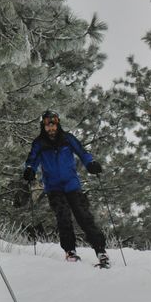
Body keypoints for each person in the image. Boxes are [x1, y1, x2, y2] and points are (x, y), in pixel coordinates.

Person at [19, 110, 110, 268]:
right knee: (63, 217)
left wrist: (91, 164)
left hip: (72, 185)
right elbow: (32, 159)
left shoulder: (68, 139)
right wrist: (29, 170)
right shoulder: (39, 143)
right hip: (54, 188)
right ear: (43, 125)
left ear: (58, 123)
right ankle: (70, 251)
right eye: (48, 124)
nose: (51, 127)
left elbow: (82, 153)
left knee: (84, 216)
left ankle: (100, 250)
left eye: (53, 123)